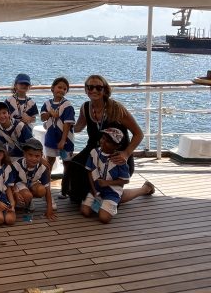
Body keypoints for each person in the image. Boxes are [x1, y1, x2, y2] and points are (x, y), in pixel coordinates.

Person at [66, 74, 154, 204]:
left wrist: (126, 154)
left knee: (106, 198)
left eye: (98, 87)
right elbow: (78, 127)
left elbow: (138, 134)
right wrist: (63, 124)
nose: (94, 90)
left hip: (116, 156)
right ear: (86, 89)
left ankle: (144, 189)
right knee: (75, 179)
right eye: (90, 87)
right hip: (95, 154)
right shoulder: (85, 107)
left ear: (105, 90)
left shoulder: (116, 109)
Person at [81, 128, 130, 224]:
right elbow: (89, 172)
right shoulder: (94, 152)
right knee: (85, 211)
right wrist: (94, 190)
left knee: (104, 218)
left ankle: (112, 202)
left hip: (112, 191)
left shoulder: (119, 160)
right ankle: (106, 204)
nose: (103, 142)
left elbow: (125, 180)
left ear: (116, 146)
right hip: (97, 189)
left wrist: (107, 183)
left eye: (108, 141)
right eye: (103, 138)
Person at [40, 77, 75, 197]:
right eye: (59, 87)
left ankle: (65, 190)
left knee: (67, 164)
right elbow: (43, 118)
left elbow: (67, 124)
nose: (61, 90)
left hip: (66, 140)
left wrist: (63, 140)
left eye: (64, 89)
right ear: (52, 88)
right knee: (49, 162)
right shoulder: (47, 104)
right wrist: (49, 113)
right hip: (51, 139)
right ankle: (46, 188)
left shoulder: (67, 105)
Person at [12, 138, 56, 220]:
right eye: (30, 155)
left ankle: (28, 201)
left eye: (37, 156)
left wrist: (49, 209)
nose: (34, 159)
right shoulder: (16, 165)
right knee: (27, 195)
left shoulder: (43, 168)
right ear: (24, 154)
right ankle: (23, 201)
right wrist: (16, 193)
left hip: (32, 182)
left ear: (41, 156)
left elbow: (48, 189)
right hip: (18, 184)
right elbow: (10, 184)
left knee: (42, 190)